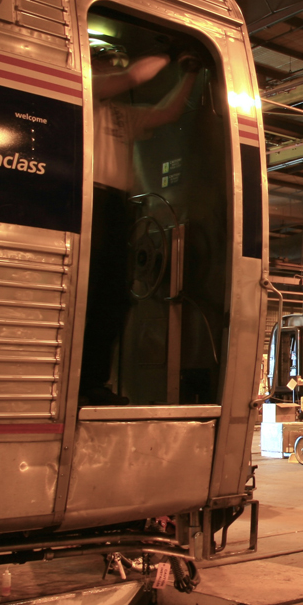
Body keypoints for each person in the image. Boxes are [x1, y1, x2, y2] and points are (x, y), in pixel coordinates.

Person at [79, 42, 203, 406]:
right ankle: (79, 379)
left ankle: (92, 382)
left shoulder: (120, 113)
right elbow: (132, 75)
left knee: (112, 296)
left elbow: (168, 112)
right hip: (88, 196)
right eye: (101, 61)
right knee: (87, 291)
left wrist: (190, 75)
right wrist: (166, 51)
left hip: (115, 205)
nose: (107, 68)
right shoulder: (83, 91)